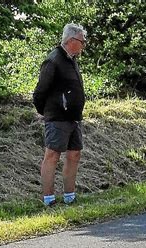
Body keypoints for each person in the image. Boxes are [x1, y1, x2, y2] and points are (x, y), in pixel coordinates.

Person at [33, 23, 87, 206]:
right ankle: (48, 199)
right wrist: (46, 112)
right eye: (82, 41)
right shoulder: (53, 60)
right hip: (57, 118)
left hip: (74, 118)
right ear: (71, 40)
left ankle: (69, 197)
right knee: (52, 155)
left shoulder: (71, 59)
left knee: (74, 155)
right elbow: (40, 91)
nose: (83, 45)